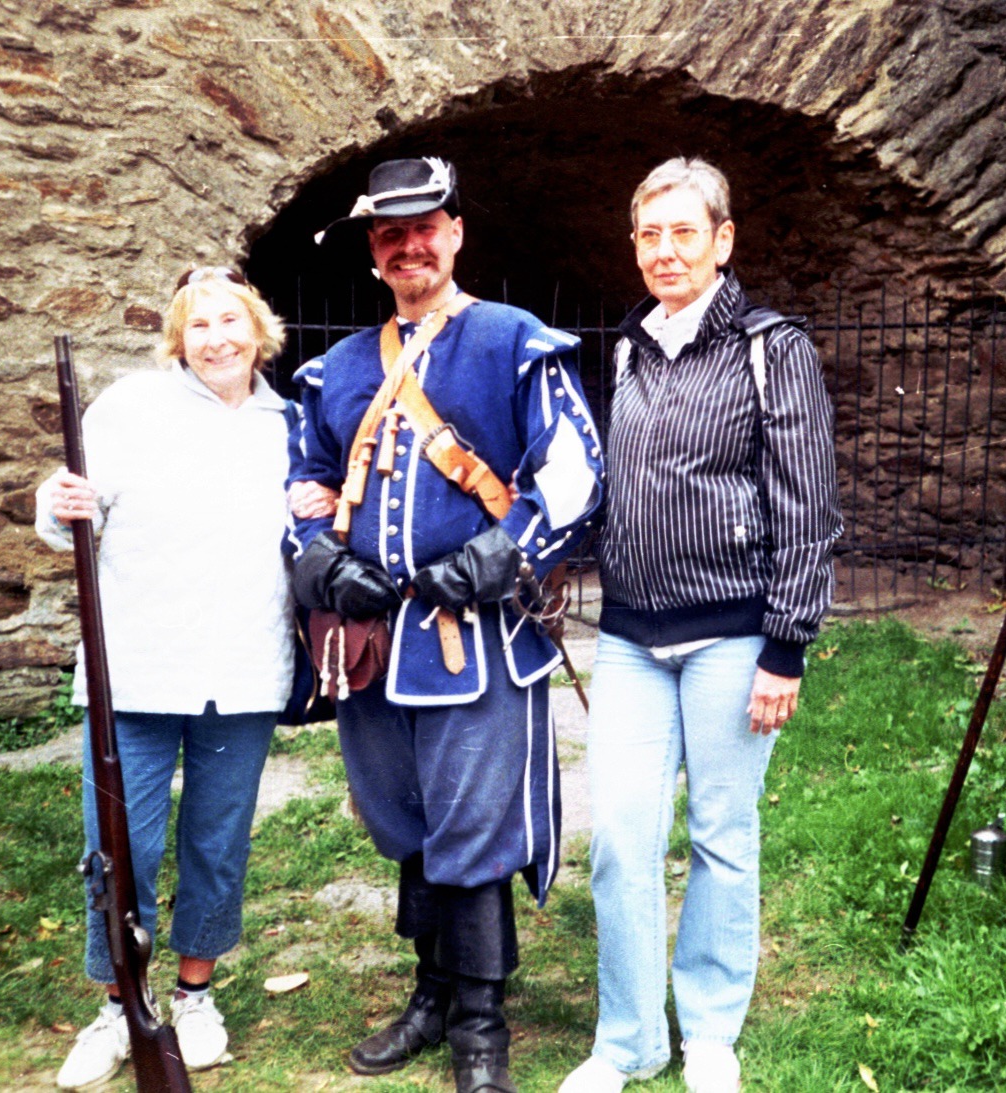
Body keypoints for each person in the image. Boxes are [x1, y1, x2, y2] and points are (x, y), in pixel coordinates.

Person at [287, 157, 604, 1093]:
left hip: (476, 641)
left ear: (456, 232)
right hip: (375, 645)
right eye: (389, 234)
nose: (407, 245)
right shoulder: (338, 370)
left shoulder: (511, 341)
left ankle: (479, 1026)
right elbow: (297, 480)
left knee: (472, 829)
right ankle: (430, 994)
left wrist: (504, 552)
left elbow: (576, 469)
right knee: (408, 825)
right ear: (374, 251)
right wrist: (316, 555)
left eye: (423, 226)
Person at [560, 157, 842, 1093]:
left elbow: (809, 509)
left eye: (685, 231)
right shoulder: (630, 346)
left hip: (732, 635)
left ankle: (710, 1029)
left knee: (723, 831)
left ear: (723, 242)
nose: (665, 250)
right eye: (649, 234)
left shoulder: (771, 349)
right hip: (632, 637)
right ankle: (628, 1041)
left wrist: (785, 647)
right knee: (620, 837)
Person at [35, 267, 294, 1089]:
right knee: (118, 850)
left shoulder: (289, 423)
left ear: (259, 327)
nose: (217, 338)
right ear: (176, 340)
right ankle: (118, 1005)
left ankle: (194, 993)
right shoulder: (129, 409)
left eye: (231, 320)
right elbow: (73, 511)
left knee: (216, 845)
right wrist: (58, 500)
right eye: (198, 325)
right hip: (135, 670)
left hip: (243, 670)